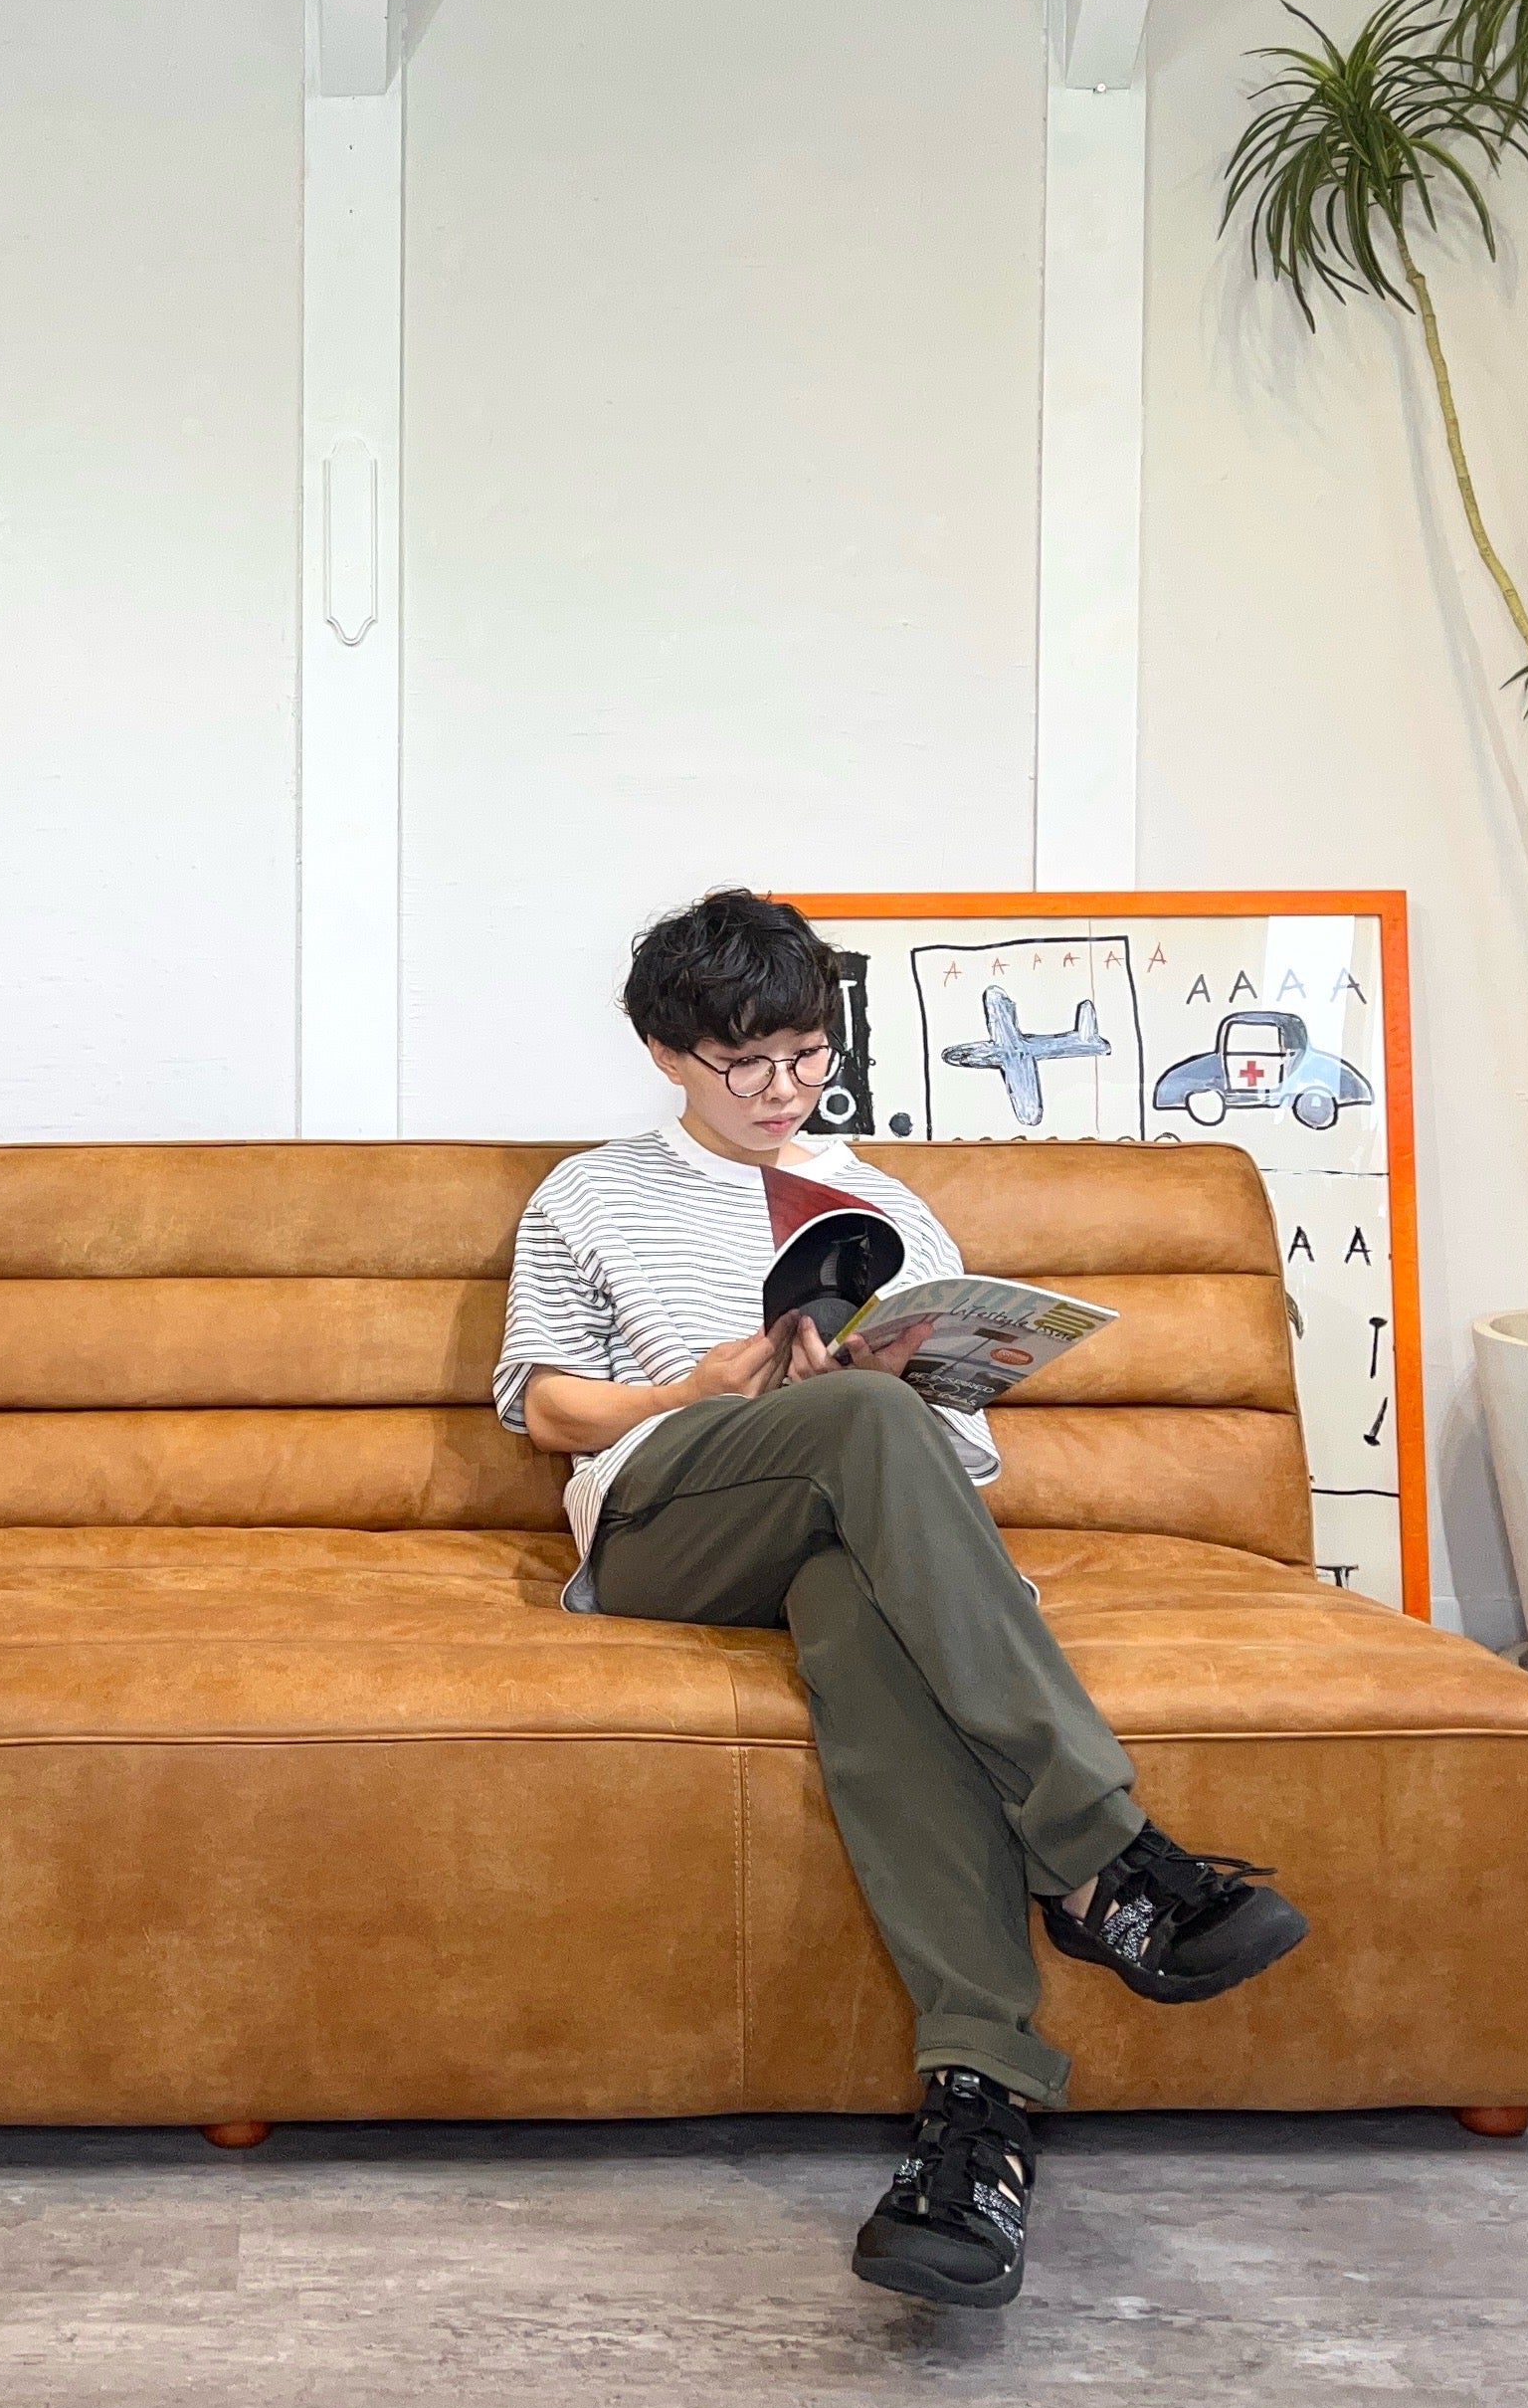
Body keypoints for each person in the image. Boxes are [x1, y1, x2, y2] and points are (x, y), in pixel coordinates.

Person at [493, 888, 1307, 2310]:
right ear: (665, 1053)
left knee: (864, 1613)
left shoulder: (886, 1206)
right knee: (861, 1428)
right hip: (665, 1520)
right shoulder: (591, 1195)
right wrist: (698, 1385)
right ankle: (1104, 1853)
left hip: (842, 1518)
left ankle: (974, 2124)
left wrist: (897, 1382)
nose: (784, 1090)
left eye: (808, 1055)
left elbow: (955, 1436)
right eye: (747, 1063)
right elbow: (544, 1406)